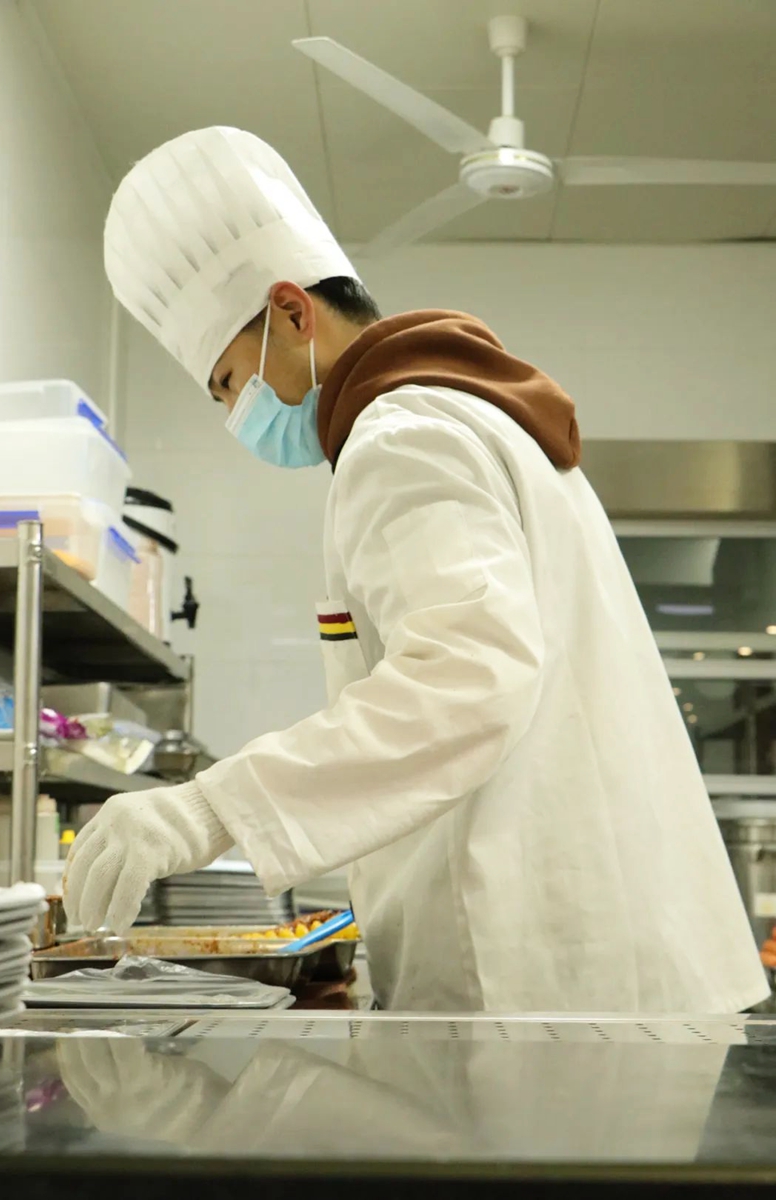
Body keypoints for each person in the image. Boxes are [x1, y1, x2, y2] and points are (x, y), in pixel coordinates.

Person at [65, 127, 767, 1013]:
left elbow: (464, 680)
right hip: (588, 960)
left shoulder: (401, 439)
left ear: (292, 313)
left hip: (536, 974)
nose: (238, 415)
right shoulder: (462, 417)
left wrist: (207, 810)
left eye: (231, 381)